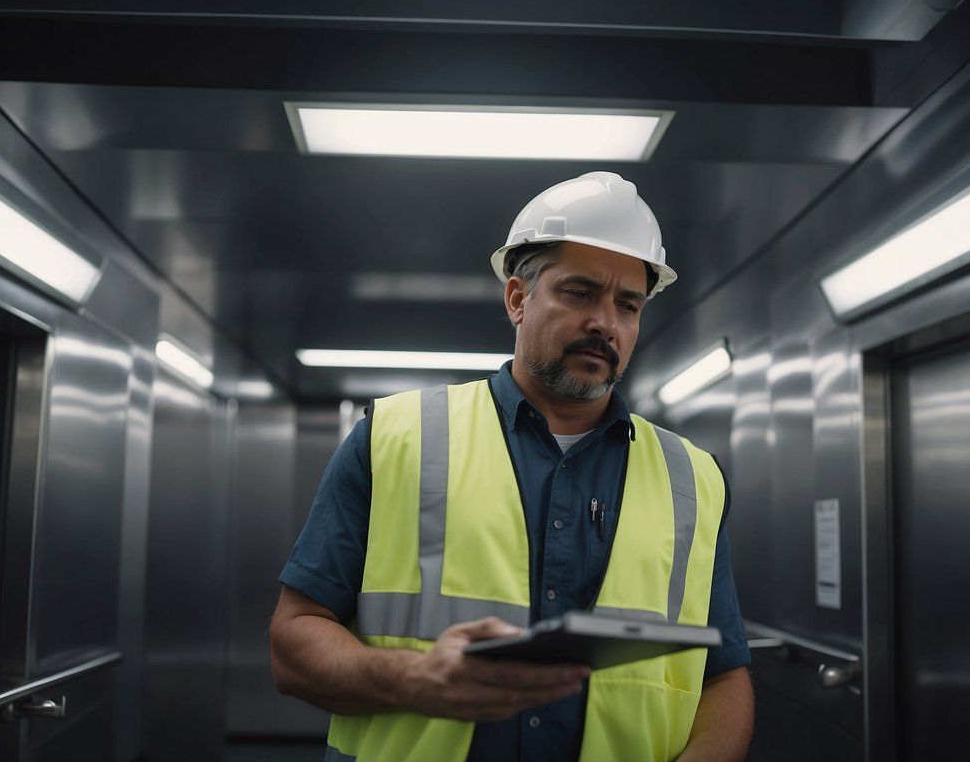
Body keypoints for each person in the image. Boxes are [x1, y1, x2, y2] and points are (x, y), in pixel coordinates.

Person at [270, 172, 754, 761]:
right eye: (580, 293)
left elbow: (723, 676)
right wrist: (412, 679)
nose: (606, 322)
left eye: (628, 304)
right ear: (518, 299)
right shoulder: (395, 438)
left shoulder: (693, 479)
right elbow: (293, 642)